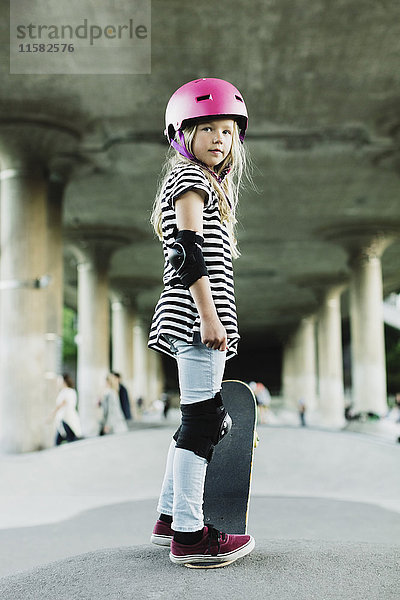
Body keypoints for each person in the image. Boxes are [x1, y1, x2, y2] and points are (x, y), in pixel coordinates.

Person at [148, 78, 255, 567]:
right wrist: (211, 318)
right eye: (206, 127)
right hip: (196, 317)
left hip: (196, 317)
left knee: (197, 421)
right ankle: (191, 537)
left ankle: (170, 518)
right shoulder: (189, 180)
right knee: (204, 424)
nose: (218, 138)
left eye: (228, 131)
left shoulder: (207, 184)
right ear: (182, 134)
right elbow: (187, 253)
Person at [50, 374, 82, 446]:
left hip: (66, 418)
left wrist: (52, 414)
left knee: (68, 439)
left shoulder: (66, 392)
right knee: (67, 438)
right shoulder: (71, 391)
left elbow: (62, 404)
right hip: (67, 417)